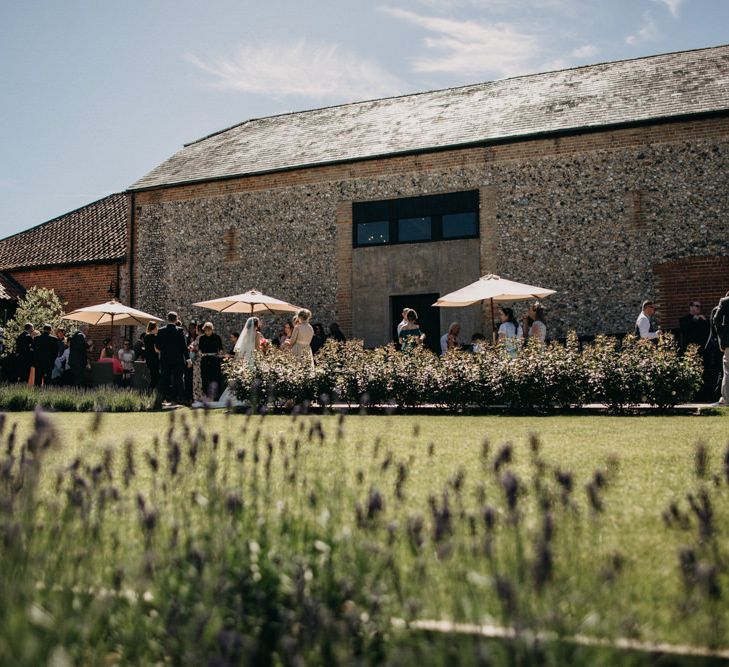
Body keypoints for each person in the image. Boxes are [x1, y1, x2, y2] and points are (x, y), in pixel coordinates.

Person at [155, 311, 188, 405]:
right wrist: (188, 359)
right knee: (179, 379)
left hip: (165, 359)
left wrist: (164, 350)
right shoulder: (180, 330)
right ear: (176, 319)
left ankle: (161, 398)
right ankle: (181, 398)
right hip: (178, 359)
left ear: (167, 318)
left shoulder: (161, 330)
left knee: (164, 379)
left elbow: (157, 346)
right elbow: (183, 346)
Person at [709, 291, 729, 407]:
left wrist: (721, 337)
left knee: (727, 370)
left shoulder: (725, 301)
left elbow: (716, 319)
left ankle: (726, 400)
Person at [198, 321, 224, 400]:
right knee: (205, 378)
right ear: (204, 330)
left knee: (215, 378)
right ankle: (206, 395)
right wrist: (200, 353)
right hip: (205, 360)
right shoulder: (202, 338)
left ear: (212, 330)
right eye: (206, 330)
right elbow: (200, 349)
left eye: (209, 330)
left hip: (214, 360)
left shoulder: (217, 337)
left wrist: (220, 353)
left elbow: (221, 349)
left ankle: (216, 396)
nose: (208, 332)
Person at [144, 322, 160, 390]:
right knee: (155, 378)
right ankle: (149, 392)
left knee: (154, 376)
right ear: (154, 328)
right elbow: (156, 350)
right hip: (154, 359)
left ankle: (150, 392)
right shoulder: (154, 337)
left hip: (148, 359)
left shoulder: (146, 337)